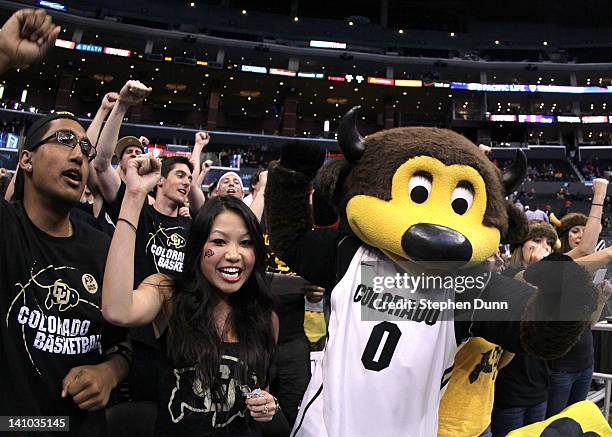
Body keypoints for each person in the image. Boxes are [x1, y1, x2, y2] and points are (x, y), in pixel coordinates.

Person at [0, 9, 130, 436]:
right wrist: (1, 56)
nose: (79, 154)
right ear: (26, 160)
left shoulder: (103, 247)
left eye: (85, 149)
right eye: (63, 140)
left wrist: (110, 372)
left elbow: (134, 343)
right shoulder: (6, 228)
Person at [101, 154, 281, 435]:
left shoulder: (265, 318)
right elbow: (117, 309)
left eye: (245, 243)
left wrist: (268, 405)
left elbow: (260, 390)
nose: (233, 255)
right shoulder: (169, 295)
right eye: (219, 242)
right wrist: (134, 197)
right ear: (198, 248)